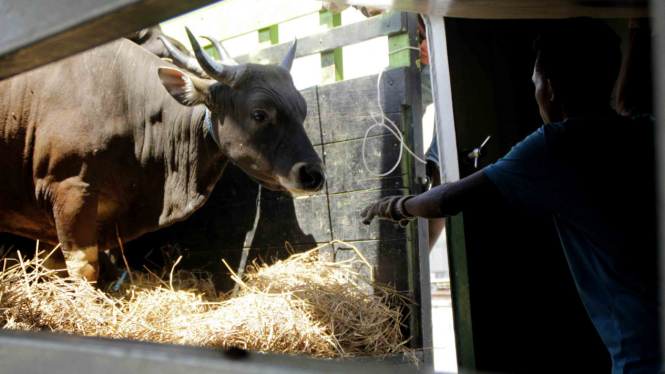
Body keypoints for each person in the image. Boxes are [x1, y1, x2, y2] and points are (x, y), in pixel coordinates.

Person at [361, 18, 661, 374]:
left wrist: (393, 206)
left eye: (535, 83)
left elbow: (447, 200)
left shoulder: (556, 146)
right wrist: (638, 31)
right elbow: (626, 105)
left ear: (549, 89)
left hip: (643, 356)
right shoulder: (642, 131)